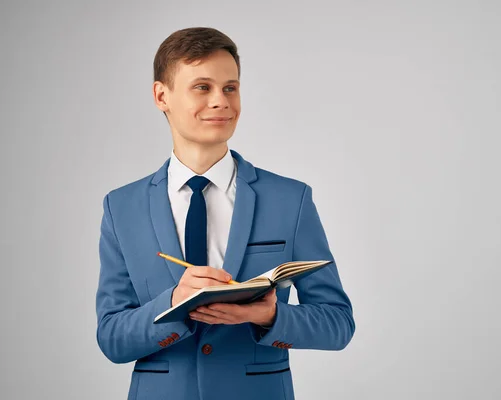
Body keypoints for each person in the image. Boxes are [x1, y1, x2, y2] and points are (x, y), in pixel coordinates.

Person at [95, 27, 355, 400]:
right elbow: (111, 338)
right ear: (161, 95)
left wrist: (269, 317)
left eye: (230, 88)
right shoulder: (121, 207)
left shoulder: (290, 199)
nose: (221, 101)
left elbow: (338, 324)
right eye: (203, 87)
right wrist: (172, 304)